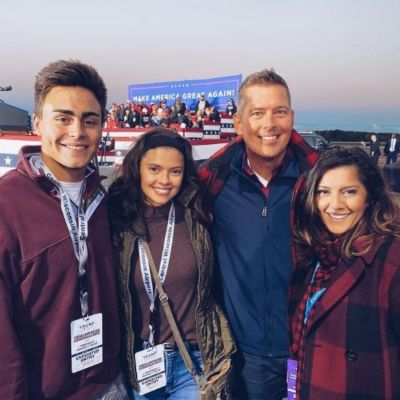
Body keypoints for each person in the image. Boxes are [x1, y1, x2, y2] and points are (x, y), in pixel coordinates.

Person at [0, 60, 128, 399]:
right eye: (63, 118)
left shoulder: (105, 197)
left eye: (90, 120)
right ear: (37, 123)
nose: (77, 131)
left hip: (110, 383)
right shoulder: (6, 205)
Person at [199, 69, 319, 400]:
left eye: (279, 111)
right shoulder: (214, 181)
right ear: (238, 123)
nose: (270, 124)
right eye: (257, 113)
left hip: (312, 345)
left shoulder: (319, 181)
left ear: (292, 117)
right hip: (246, 356)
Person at [108, 128, 235, 399]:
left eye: (175, 171)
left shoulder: (197, 213)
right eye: (154, 169)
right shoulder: (116, 218)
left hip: (193, 360)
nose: (165, 180)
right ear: (137, 169)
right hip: (139, 360)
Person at [289, 146, 400, 400]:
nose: (335, 205)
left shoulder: (390, 257)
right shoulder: (315, 255)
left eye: (349, 192)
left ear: (369, 197)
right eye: (324, 192)